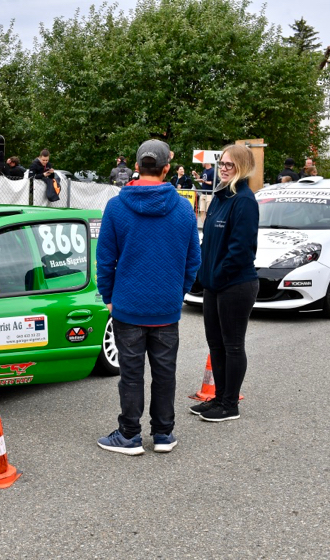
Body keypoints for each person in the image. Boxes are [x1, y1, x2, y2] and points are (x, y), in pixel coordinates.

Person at [95, 139, 201, 455]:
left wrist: (109, 296)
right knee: (165, 373)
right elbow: (193, 259)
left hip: (128, 306)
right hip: (166, 308)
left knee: (131, 374)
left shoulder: (116, 207)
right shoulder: (183, 207)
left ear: (137, 167)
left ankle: (129, 434)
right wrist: (177, 292)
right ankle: (164, 434)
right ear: (167, 168)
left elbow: (105, 258)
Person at [192, 144, 259, 422]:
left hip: (235, 285)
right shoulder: (221, 196)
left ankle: (230, 405)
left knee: (232, 345)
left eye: (230, 165)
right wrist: (202, 275)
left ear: (242, 167)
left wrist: (218, 276)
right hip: (214, 284)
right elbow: (210, 242)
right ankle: (218, 398)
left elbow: (241, 249)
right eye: (222, 163)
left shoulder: (244, 200)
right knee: (215, 345)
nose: (224, 168)